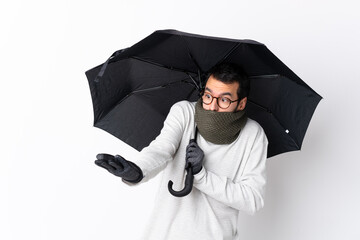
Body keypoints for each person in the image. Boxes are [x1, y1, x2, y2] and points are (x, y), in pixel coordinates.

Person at [95, 63, 268, 240]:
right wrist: (138, 170)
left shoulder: (253, 135)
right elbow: (161, 149)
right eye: (208, 96)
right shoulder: (184, 112)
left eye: (224, 100)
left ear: (241, 103)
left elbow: (252, 200)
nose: (212, 106)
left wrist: (202, 174)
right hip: (164, 234)